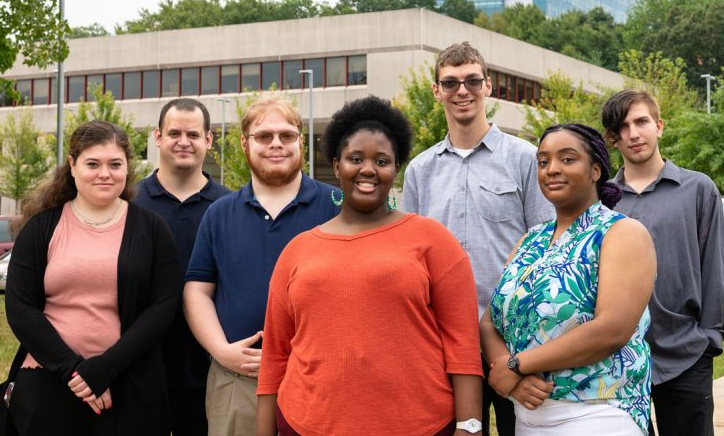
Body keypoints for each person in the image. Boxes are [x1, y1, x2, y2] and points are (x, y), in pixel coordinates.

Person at [257, 95, 484, 436]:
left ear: (396, 168)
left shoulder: (433, 240)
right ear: (336, 166)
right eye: (355, 158)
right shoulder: (297, 251)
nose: (367, 169)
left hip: (418, 426)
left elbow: (462, 345)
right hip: (306, 425)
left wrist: (470, 426)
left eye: (381, 160)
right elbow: (275, 355)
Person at [402, 41, 554, 436]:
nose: (462, 91)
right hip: (442, 338)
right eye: (450, 83)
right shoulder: (420, 171)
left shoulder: (525, 159)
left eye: (471, 80)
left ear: (488, 86)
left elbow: (547, 246)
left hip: (513, 339)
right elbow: (412, 256)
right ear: (436, 91)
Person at [5, 120, 180, 435]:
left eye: (115, 164)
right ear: (72, 166)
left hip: (130, 386)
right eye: (92, 164)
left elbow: (164, 305)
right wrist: (76, 372)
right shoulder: (41, 228)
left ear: (128, 167)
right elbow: (20, 307)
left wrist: (106, 367)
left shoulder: (152, 229)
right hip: (49, 385)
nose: (105, 173)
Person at [480, 123, 656, 435]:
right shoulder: (531, 239)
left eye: (568, 159)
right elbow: (491, 320)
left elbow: (610, 330)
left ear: (595, 171)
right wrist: (507, 371)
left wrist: (516, 365)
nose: (552, 170)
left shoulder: (621, 232)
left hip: (599, 412)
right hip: (529, 414)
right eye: (544, 161)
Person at [183, 94, 339, 436]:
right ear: (244, 144)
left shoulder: (335, 207)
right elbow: (197, 290)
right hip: (238, 383)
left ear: (301, 142)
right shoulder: (219, 213)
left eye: (286, 135)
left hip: (321, 381)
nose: (276, 145)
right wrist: (221, 351)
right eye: (264, 136)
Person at [602, 90, 724, 436]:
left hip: (687, 353)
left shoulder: (698, 189)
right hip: (618, 360)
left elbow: (714, 267)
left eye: (641, 122)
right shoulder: (603, 201)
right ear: (614, 137)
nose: (633, 134)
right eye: (622, 127)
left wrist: (710, 338)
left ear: (659, 125)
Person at [135, 98, 230, 436]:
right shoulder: (129, 203)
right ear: (158, 137)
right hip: (139, 368)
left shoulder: (229, 206)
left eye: (193, 133)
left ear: (208, 140)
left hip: (208, 369)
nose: (183, 141)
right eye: (174, 132)